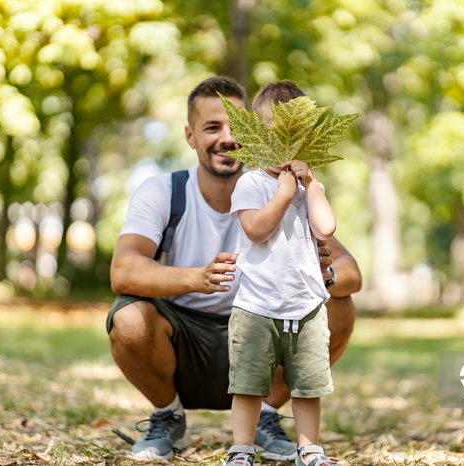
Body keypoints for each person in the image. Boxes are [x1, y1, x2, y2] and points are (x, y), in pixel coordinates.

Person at [107, 76, 361, 461]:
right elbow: (123, 271)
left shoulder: (294, 192)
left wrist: (323, 273)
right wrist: (197, 278)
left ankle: (268, 417)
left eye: (236, 126)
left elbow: (350, 272)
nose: (228, 137)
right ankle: (167, 414)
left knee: (339, 306)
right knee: (128, 318)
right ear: (191, 136)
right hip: (184, 342)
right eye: (212, 127)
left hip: (268, 328)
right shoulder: (164, 192)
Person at [225, 80, 338, 466]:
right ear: (255, 138)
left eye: (294, 139)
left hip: (305, 304)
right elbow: (256, 229)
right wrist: (284, 194)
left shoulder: (310, 188)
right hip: (256, 304)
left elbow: (325, 229)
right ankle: (242, 447)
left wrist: (309, 185)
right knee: (249, 383)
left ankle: (310, 447)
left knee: (307, 385)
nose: (283, 149)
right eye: (273, 137)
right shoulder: (251, 183)